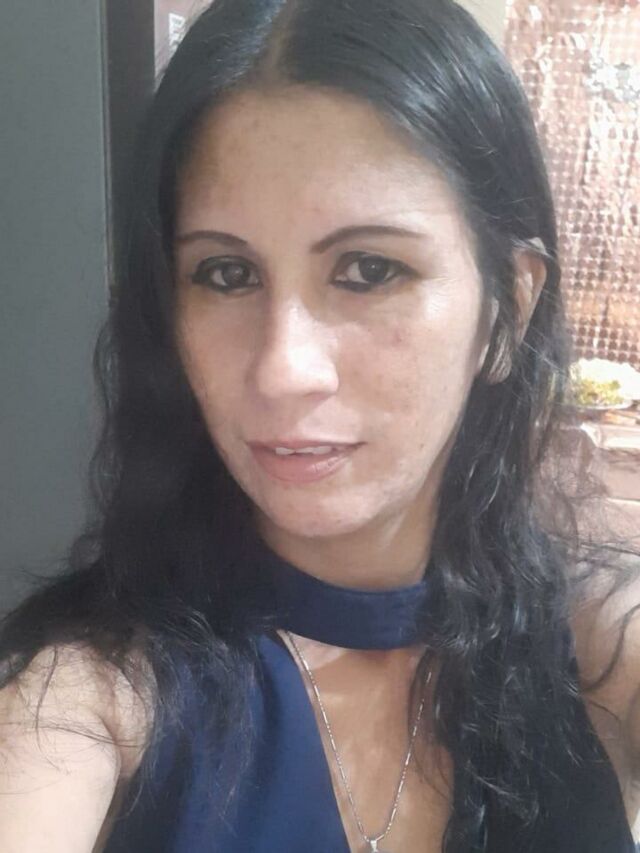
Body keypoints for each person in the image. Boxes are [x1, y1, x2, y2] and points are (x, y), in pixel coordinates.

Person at [1, 1, 639, 850]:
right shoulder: (91, 702)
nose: (283, 368)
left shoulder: (602, 645)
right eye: (225, 274)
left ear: (505, 314)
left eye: (369, 269)